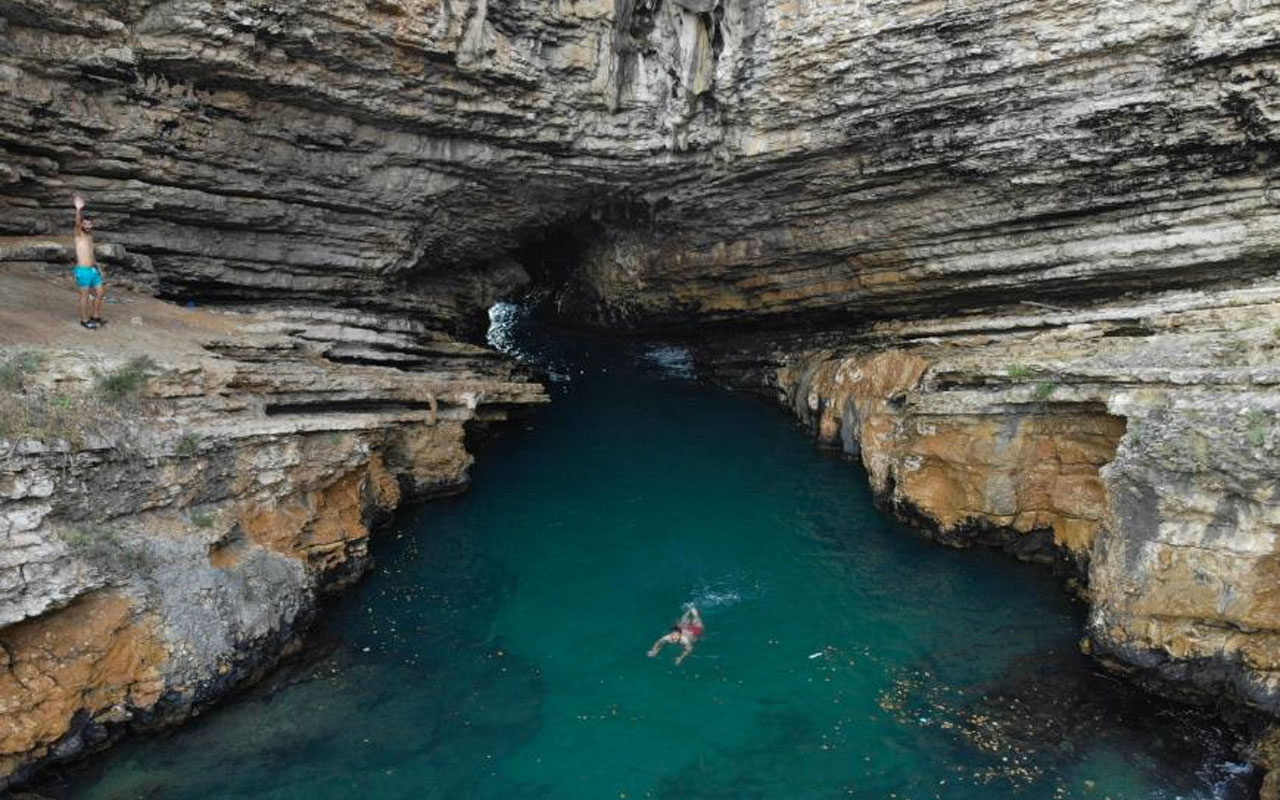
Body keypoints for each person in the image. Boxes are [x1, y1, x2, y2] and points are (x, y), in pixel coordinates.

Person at [72, 195, 106, 329]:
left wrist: (97, 267)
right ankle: (84, 320)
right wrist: (78, 210)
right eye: (84, 224)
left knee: (100, 293)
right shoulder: (78, 234)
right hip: (83, 271)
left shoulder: (90, 236)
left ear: (92, 225)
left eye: (89, 224)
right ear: (82, 225)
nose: (86, 226)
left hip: (92, 270)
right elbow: (76, 224)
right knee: (84, 297)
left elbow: (91, 253)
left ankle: (95, 316)